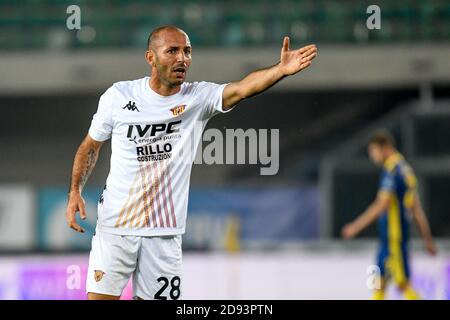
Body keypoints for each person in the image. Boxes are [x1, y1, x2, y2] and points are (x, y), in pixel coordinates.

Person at [65, 25, 317, 300]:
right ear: (151, 57)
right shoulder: (119, 97)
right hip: (115, 228)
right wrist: (75, 191)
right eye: (172, 51)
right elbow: (90, 146)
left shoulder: (198, 98)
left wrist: (279, 70)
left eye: (187, 51)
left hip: (164, 234)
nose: (182, 58)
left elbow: (242, 89)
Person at [341, 129, 437, 300]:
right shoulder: (405, 169)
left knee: (402, 284)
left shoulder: (393, 171)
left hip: (394, 239)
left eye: (373, 151)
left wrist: (355, 226)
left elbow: (381, 205)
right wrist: (427, 239)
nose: (372, 156)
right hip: (388, 241)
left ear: (384, 147)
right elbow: (416, 209)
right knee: (378, 282)